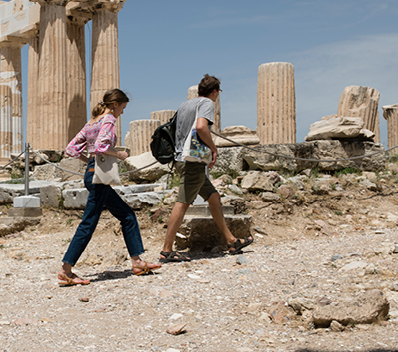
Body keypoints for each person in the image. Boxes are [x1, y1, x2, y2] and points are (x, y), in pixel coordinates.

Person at [57, 88, 162, 286]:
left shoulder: (92, 122)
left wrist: (88, 160)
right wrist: (119, 154)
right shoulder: (108, 120)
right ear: (115, 105)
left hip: (92, 173)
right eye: (122, 107)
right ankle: (66, 270)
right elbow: (101, 146)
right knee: (89, 223)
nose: (122, 112)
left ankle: (137, 262)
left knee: (126, 215)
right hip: (99, 176)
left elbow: (71, 148)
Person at [159, 74, 253, 262]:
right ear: (214, 91)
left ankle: (231, 241)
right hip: (192, 160)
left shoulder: (185, 105)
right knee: (183, 202)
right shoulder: (207, 104)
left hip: (180, 159)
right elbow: (202, 127)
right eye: (218, 92)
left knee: (214, 197)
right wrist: (213, 148)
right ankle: (167, 249)